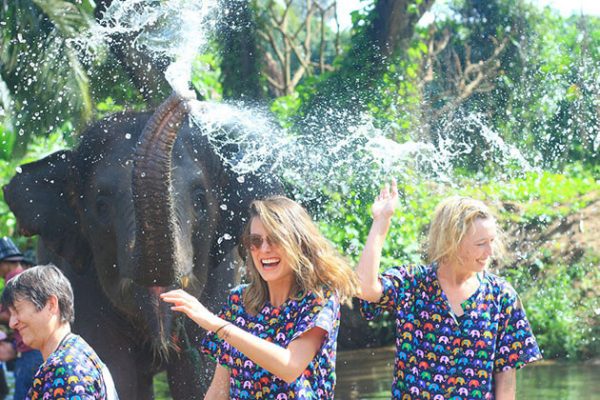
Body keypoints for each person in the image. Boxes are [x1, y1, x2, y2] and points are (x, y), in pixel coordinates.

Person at [356, 180, 542, 400]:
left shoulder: (501, 296)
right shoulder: (412, 284)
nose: (490, 251)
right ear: (451, 241)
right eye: (481, 243)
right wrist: (381, 222)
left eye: (492, 241)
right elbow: (365, 288)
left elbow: (506, 376)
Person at [161, 196, 359, 399]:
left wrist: (218, 325)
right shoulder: (239, 301)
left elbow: (290, 367)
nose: (264, 249)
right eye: (255, 241)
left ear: (298, 242)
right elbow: (219, 390)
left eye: (274, 239)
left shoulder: (318, 298)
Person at [1, 264, 119, 400]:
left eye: (17, 310)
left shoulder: (65, 369)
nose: (12, 323)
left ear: (51, 304)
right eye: (10, 314)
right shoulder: (76, 351)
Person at [0, 238, 43, 400]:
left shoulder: (14, 282)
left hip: (30, 352)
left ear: (5, 262)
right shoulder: (23, 278)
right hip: (32, 349)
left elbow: (18, 316)